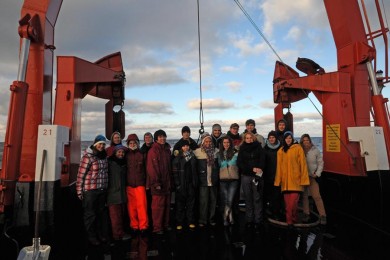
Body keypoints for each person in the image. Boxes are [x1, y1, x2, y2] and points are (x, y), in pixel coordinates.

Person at [76, 134, 109, 245]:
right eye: (100, 144)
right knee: (90, 215)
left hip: (102, 189)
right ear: (95, 144)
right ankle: (91, 236)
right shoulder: (88, 157)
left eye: (103, 144)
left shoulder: (104, 156)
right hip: (90, 191)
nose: (101, 146)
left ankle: (100, 234)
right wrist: (79, 191)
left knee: (100, 214)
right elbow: (81, 175)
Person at [274, 131, 310, 226]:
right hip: (285, 183)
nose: (288, 140)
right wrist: (278, 181)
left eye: (290, 138)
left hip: (296, 182)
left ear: (292, 139)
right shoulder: (281, 151)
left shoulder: (298, 148)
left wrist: (304, 179)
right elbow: (279, 167)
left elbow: (303, 165)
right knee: (288, 206)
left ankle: (290, 221)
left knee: (292, 205)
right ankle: (292, 220)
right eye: (286, 138)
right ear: (284, 139)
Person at [237, 132, 265, 232]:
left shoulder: (259, 147)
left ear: (253, 138)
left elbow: (263, 160)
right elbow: (240, 163)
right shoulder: (242, 148)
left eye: (250, 138)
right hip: (246, 176)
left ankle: (258, 220)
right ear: (245, 139)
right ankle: (249, 220)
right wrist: (251, 169)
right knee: (248, 198)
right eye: (247, 138)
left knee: (257, 198)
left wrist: (259, 168)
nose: (249, 139)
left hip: (257, 176)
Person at [146, 129, 172, 234]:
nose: (163, 138)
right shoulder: (153, 151)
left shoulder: (167, 150)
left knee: (166, 205)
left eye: (164, 136)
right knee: (158, 207)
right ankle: (157, 227)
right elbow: (151, 169)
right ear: (156, 139)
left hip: (167, 183)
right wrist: (156, 183)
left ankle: (165, 225)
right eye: (160, 137)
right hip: (158, 184)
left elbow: (169, 168)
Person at [300, 134, 327, 224]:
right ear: (302, 141)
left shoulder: (315, 150)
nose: (306, 142)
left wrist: (318, 173)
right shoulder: (299, 150)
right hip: (303, 177)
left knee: (316, 196)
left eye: (307, 140)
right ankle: (306, 213)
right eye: (304, 140)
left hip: (312, 177)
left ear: (310, 140)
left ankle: (323, 215)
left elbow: (320, 162)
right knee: (304, 196)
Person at [194, 133, 219, 227]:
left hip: (213, 181)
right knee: (203, 202)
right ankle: (202, 220)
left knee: (213, 201)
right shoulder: (197, 152)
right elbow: (184, 155)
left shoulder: (216, 151)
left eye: (210, 141)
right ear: (202, 142)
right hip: (203, 181)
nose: (208, 143)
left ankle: (211, 219)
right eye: (206, 141)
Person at [172, 140, 198, 230]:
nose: (186, 147)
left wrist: (195, 182)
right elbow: (174, 172)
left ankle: (190, 221)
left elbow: (195, 170)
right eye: (184, 146)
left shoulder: (193, 156)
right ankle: (179, 222)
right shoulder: (177, 157)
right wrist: (177, 184)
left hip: (191, 184)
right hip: (181, 184)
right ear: (181, 148)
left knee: (191, 204)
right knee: (180, 205)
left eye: (187, 146)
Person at [126, 134, 149, 234]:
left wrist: (147, 184)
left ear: (137, 143)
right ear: (128, 144)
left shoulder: (142, 154)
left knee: (142, 207)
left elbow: (147, 170)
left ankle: (143, 226)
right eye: (130, 143)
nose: (132, 144)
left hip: (140, 184)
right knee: (131, 208)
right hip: (129, 185)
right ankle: (134, 226)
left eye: (134, 143)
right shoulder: (125, 155)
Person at [107, 144, 131, 241]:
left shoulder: (124, 164)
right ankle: (117, 235)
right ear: (115, 153)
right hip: (113, 194)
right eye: (119, 152)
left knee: (121, 215)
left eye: (122, 152)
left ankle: (120, 232)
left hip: (122, 194)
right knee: (115, 217)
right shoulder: (110, 163)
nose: (121, 154)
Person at [217, 136, 239, 226]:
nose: (226, 144)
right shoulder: (219, 154)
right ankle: (230, 217)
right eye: (224, 143)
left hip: (233, 179)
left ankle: (224, 217)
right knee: (225, 200)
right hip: (223, 179)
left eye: (228, 142)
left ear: (230, 143)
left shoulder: (236, 153)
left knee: (230, 200)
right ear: (222, 144)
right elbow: (219, 165)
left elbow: (236, 163)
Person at [263, 130, 282, 220]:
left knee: (277, 196)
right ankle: (268, 211)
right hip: (267, 176)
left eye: (273, 137)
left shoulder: (281, 148)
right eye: (270, 137)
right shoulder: (265, 149)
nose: (271, 139)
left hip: (278, 176)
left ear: (276, 138)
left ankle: (276, 213)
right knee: (268, 195)